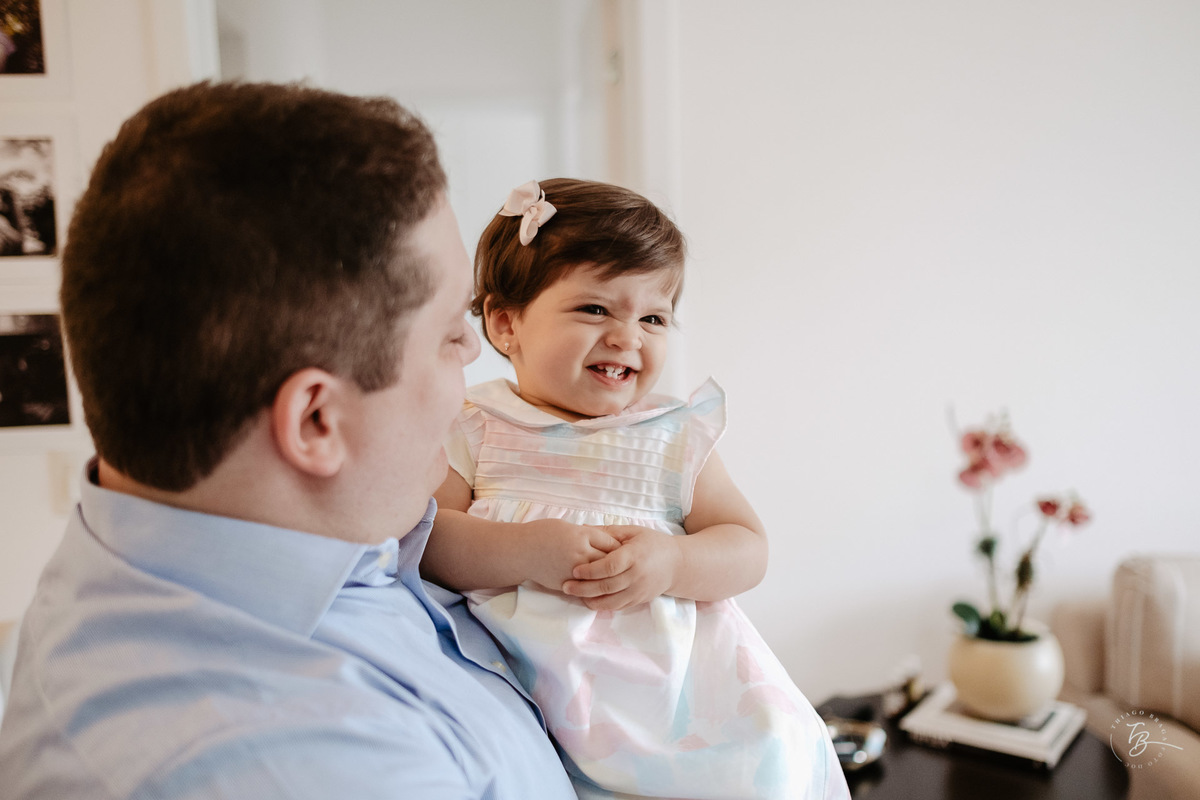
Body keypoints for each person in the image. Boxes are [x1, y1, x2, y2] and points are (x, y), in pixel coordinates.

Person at [0, 82, 577, 800]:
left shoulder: (278, 519)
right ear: (314, 422)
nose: (474, 349)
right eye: (446, 332)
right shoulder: (299, 765)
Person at [423, 178, 850, 800]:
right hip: (545, 694)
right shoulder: (473, 423)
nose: (629, 337)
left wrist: (672, 559)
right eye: (595, 309)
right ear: (506, 322)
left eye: (653, 317)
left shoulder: (671, 435)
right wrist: (527, 551)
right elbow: (429, 538)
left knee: (768, 753)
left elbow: (746, 546)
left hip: (681, 697)